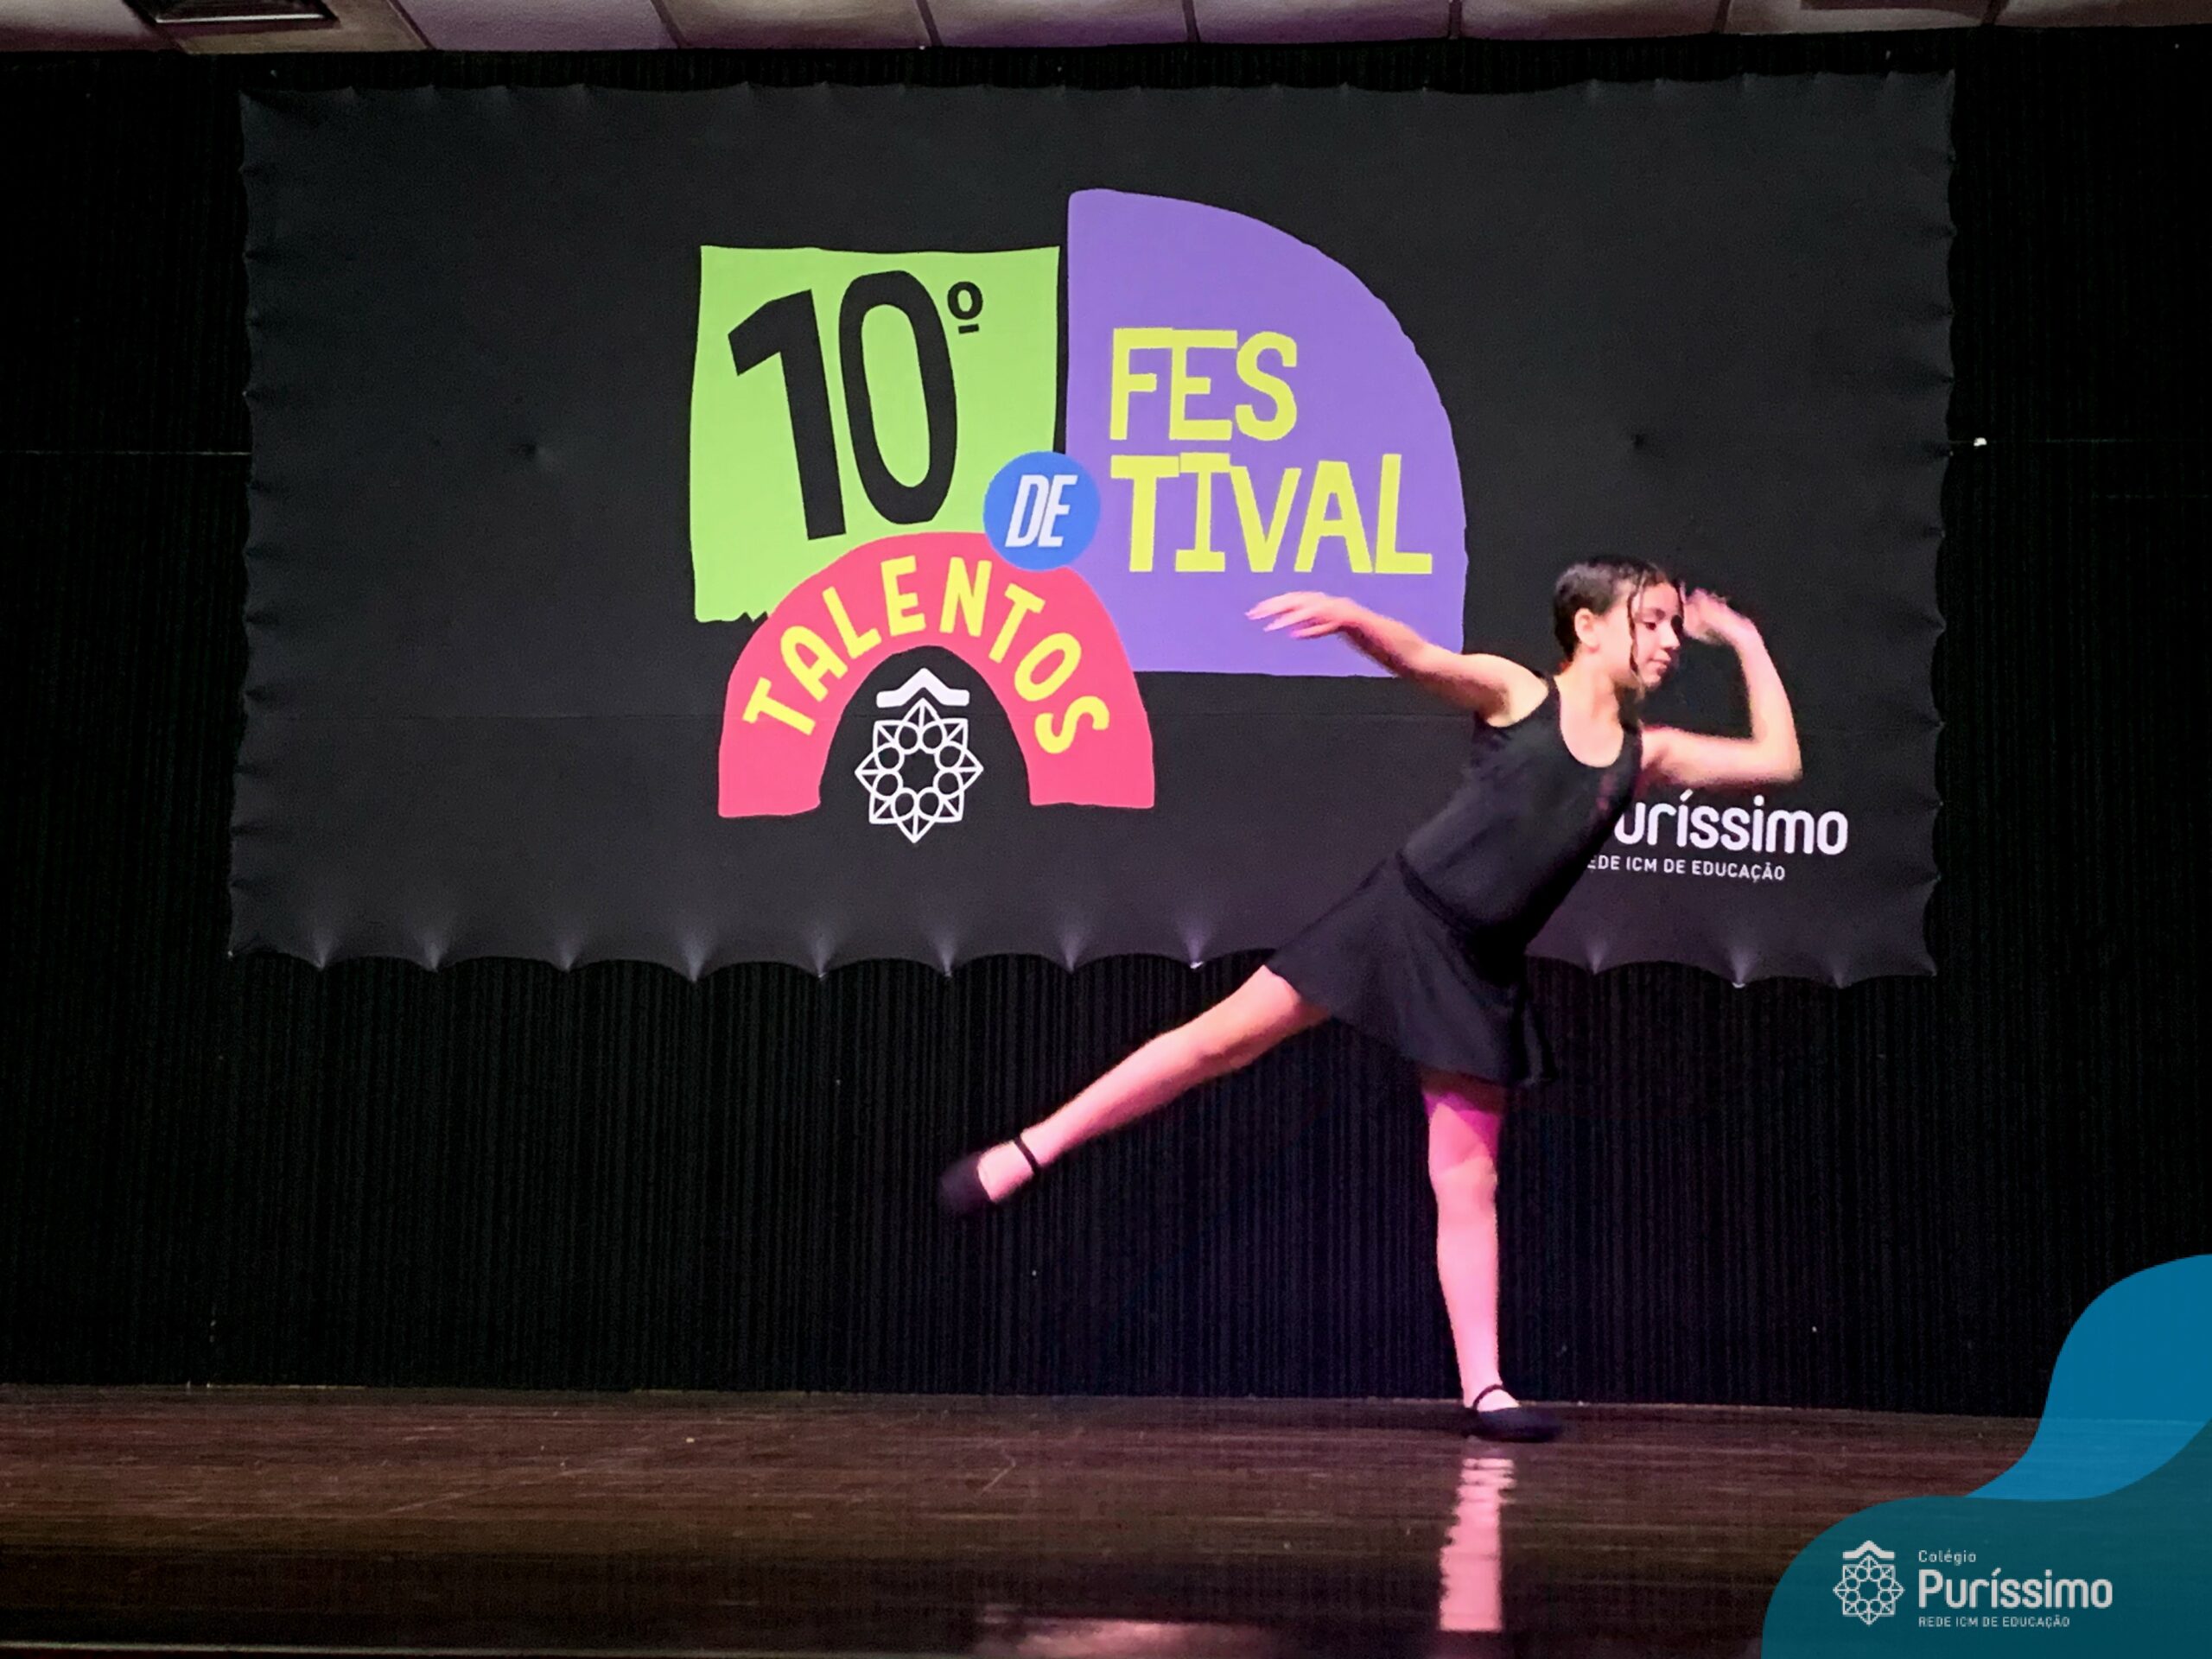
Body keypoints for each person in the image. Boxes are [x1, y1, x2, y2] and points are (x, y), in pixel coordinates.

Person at [937, 558, 1802, 1441]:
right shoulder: (1518, 694)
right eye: (1648, 622)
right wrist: (1354, 618)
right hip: (1399, 916)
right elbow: (1422, 660)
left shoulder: (1645, 754)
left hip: (1478, 969)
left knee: (1467, 1180)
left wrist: (1743, 637)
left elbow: (1779, 760)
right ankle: (1030, 1148)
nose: (1667, 642)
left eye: (1671, 626)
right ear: (1587, 626)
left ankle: (1485, 1390)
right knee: (1219, 1041)